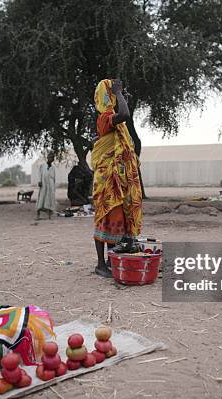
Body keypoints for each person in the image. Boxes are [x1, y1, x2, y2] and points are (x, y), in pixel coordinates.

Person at [92, 79, 143, 277]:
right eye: (111, 92)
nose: (115, 95)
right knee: (105, 219)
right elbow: (125, 114)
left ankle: (110, 259)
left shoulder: (112, 122)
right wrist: (120, 92)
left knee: (117, 221)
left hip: (116, 181)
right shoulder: (105, 117)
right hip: (106, 181)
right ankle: (100, 264)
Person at [36, 152, 57, 220]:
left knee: (49, 200)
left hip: (50, 185)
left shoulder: (53, 167)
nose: (51, 159)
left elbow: (54, 178)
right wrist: (39, 181)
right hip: (43, 184)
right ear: (47, 158)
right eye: (50, 157)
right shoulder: (43, 166)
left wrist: (53, 187)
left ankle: (49, 216)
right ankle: (38, 215)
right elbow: (40, 174)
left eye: (53, 158)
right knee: (41, 199)